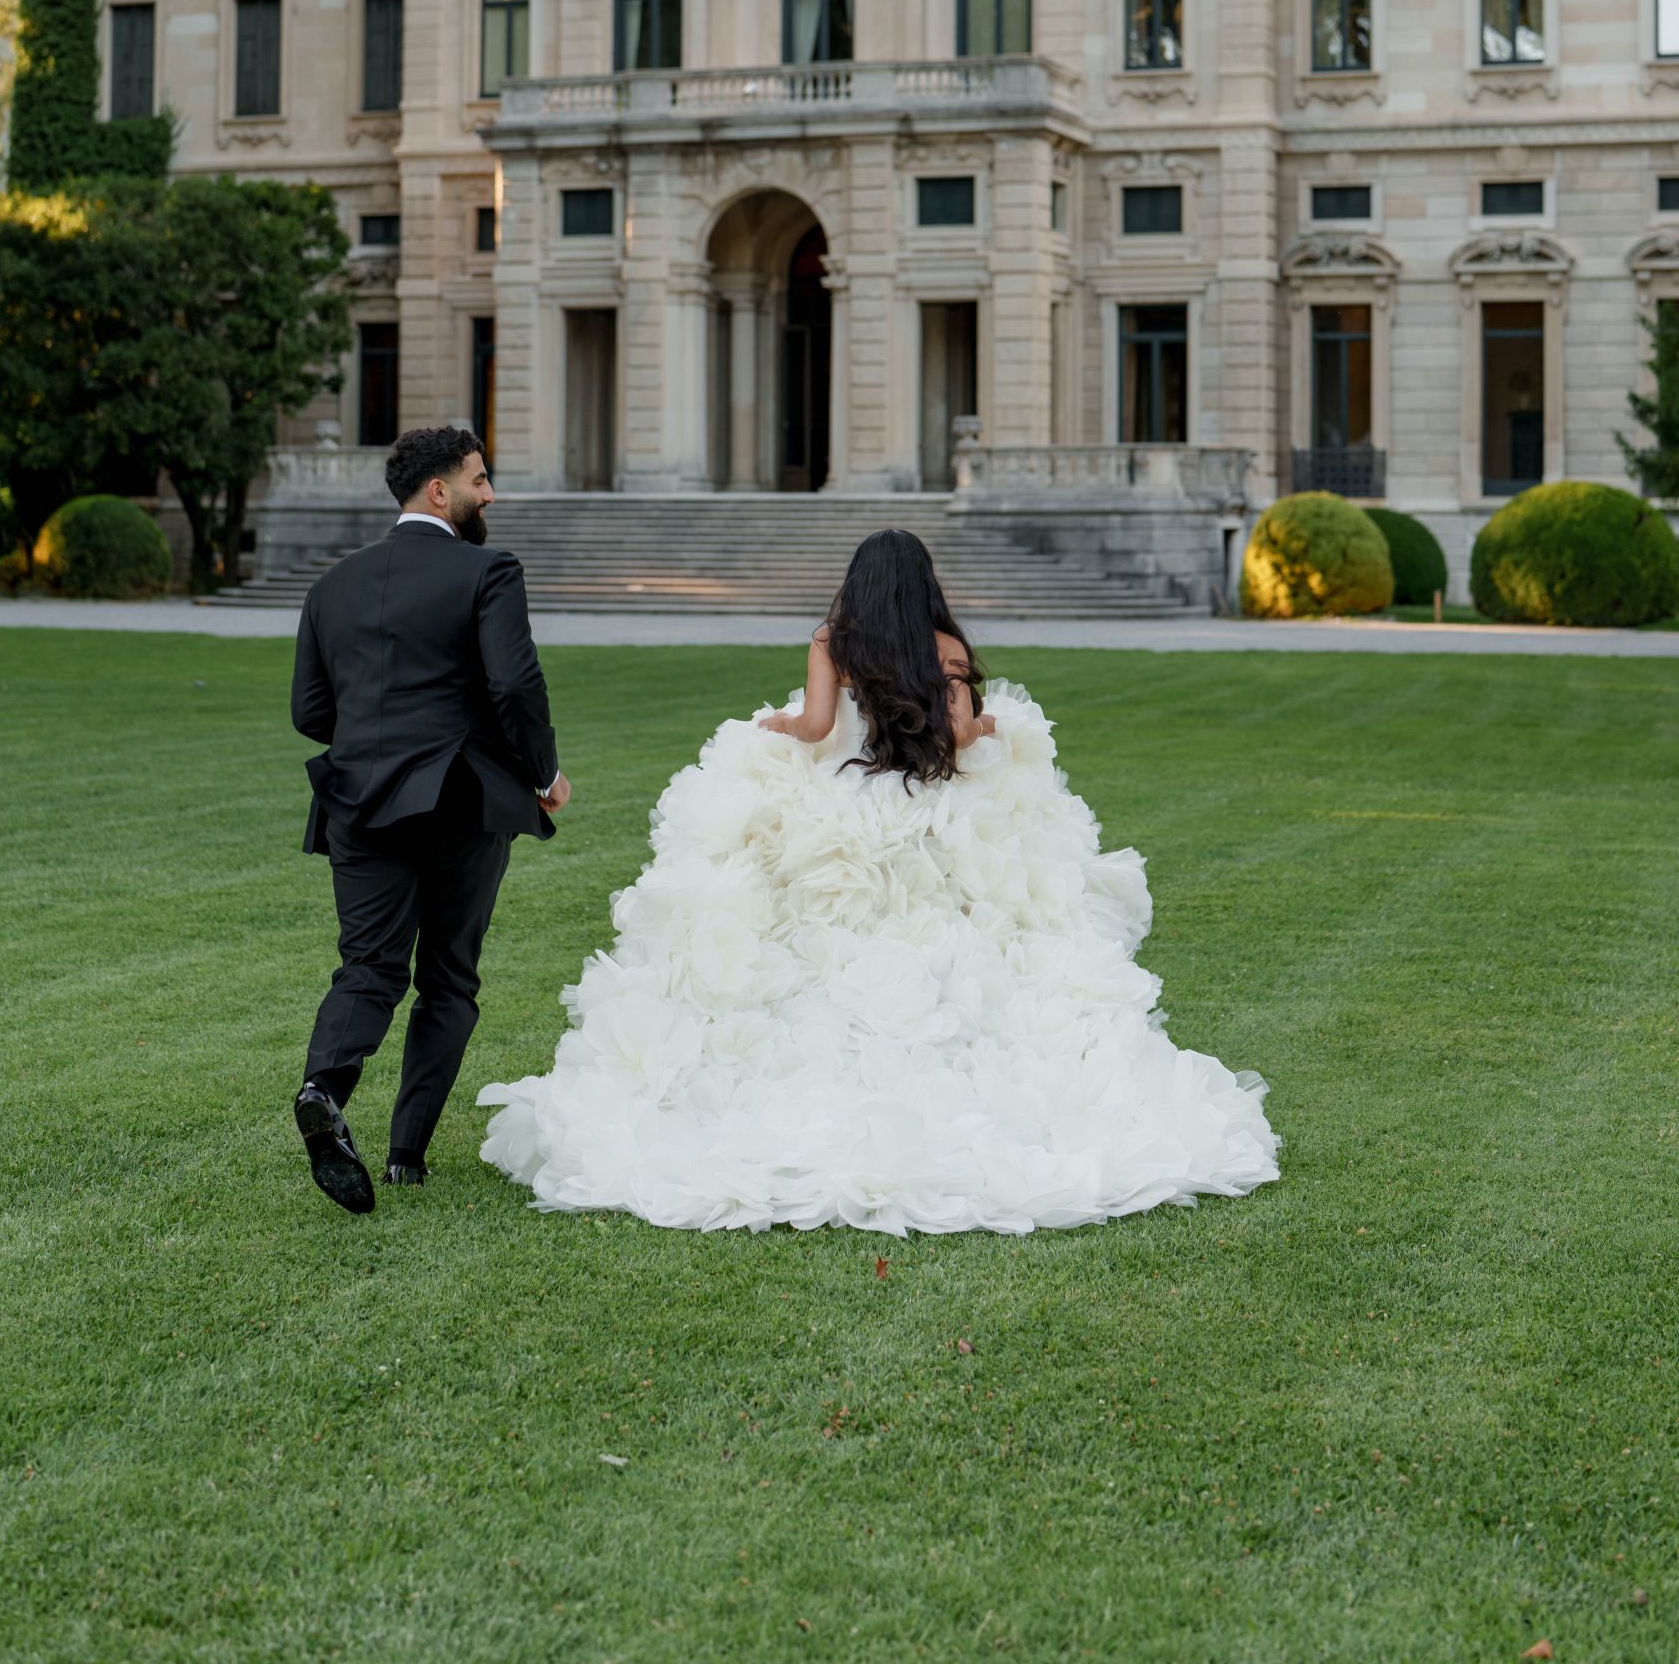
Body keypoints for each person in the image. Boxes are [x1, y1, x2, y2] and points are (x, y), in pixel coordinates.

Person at [478, 527, 1276, 1235]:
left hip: (847, 810)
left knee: (821, 936)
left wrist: (780, 725)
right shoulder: (945, 647)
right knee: (951, 935)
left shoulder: (835, 637)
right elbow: (959, 738)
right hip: (928, 812)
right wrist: (990, 723)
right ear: (923, 585)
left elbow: (819, 727)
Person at [290, 425, 568, 1212]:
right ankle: (406, 1153)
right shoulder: (489, 570)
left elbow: (311, 710)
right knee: (448, 977)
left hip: (357, 800)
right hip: (459, 800)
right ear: (439, 491)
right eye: (480, 480)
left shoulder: (330, 586)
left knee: (369, 968)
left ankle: (323, 1087)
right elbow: (514, 687)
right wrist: (543, 774)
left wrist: (378, 735)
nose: (491, 495)